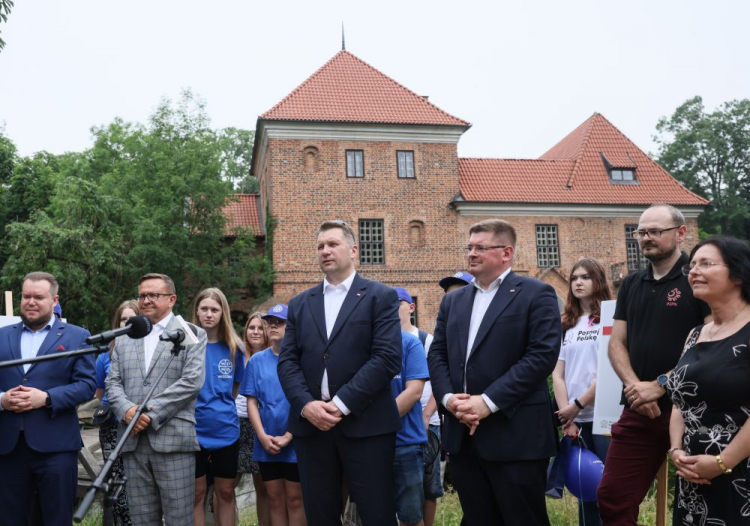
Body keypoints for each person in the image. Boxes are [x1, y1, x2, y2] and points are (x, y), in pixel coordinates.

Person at [428, 218, 561, 526]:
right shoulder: (454, 301)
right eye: (470, 247)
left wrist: (486, 402)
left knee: (523, 519)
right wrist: (450, 400)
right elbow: (437, 353)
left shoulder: (535, 294)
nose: (472, 254)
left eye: (481, 247)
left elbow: (540, 357)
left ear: (506, 252)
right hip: (464, 436)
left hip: (516, 436)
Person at [277, 220, 402, 526]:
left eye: (332, 244)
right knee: (320, 515)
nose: (325, 251)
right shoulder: (299, 304)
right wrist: (306, 406)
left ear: (353, 250)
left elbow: (386, 358)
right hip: (312, 429)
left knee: (377, 513)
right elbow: (288, 361)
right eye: (320, 246)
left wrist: (341, 403)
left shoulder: (380, 297)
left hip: (366, 426)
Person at [597, 204, 711, 525]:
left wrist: (659, 385)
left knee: (697, 503)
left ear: (681, 233)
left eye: (655, 232)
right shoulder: (632, 283)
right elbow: (617, 343)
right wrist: (636, 388)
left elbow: (712, 344)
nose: (646, 238)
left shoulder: (698, 278)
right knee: (613, 496)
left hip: (693, 410)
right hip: (639, 411)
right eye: (641, 232)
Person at [106, 273, 207, 526]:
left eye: (154, 295)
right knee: (141, 520)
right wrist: (128, 411)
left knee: (179, 519)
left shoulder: (191, 334)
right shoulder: (124, 336)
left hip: (173, 441)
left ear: (171, 299)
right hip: (132, 442)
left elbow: (191, 382)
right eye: (142, 295)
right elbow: (112, 382)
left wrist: (148, 414)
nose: (146, 300)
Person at [0, 271, 95, 526]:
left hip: (56, 449)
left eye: (38, 297)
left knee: (56, 519)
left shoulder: (77, 336)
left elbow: (87, 385)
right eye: (26, 296)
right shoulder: (2, 335)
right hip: (8, 448)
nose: (31, 302)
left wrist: (47, 398)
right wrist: (2, 400)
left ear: (55, 301)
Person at [666, 236, 750, 525]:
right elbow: (681, 402)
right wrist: (676, 450)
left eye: (706, 263)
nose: (693, 271)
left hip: (740, 473)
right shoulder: (695, 334)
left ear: (738, 274)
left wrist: (722, 463)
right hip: (692, 475)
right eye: (692, 265)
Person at [551, 258, 612, 526]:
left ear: (598, 281)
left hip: (606, 417)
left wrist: (578, 403)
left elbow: (610, 370)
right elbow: (557, 373)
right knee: (585, 488)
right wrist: (568, 416)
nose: (578, 282)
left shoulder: (612, 316)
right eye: (574, 277)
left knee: (608, 490)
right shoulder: (567, 323)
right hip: (575, 419)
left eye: (585, 277)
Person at [242, 304, 307, 526]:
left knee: (296, 499)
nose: (273, 326)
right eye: (270, 322)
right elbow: (251, 401)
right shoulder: (257, 361)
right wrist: (260, 435)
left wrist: (289, 435)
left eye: (279, 322)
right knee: (275, 498)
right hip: (266, 441)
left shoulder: (303, 360)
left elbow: (306, 402)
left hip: (296, 440)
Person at [192, 288, 245, 526]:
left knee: (225, 492)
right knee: (197, 493)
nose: (209, 314)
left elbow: (234, 390)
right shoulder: (187, 346)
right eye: (204, 309)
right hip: (193, 430)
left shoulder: (234, 348)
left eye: (214, 309)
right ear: (197, 312)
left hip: (225, 429)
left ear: (223, 313)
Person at [394, 287, 443, 526]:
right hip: (399, 427)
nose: (393, 308)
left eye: (398, 303)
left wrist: (426, 415)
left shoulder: (423, 340)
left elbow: (439, 383)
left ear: (411, 307)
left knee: (427, 488)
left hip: (424, 424)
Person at [95, 299, 140, 526]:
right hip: (113, 426)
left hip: (140, 426)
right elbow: (100, 391)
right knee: (116, 483)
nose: (128, 324)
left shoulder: (150, 353)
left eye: (133, 319)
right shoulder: (105, 356)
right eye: (124, 319)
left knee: (138, 483)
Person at [390, 326, 429, 526]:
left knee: (411, 517)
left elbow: (414, 392)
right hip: (368, 446)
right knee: (375, 514)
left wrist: (377, 425)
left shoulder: (410, 343)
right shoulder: (360, 342)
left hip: (405, 443)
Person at [237, 311, 271, 526]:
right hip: (235, 424)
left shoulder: (271, 358)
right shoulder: (236, 355)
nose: (256, 332)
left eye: (261, 328)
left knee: (263, 486)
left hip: (260, 425)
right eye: (252, 328)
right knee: (226, 485)